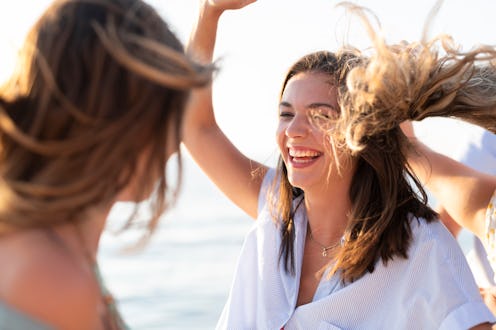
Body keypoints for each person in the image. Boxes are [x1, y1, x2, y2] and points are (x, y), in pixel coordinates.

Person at [184, 0, 495, 328]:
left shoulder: (422, 248)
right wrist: (209, 12)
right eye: (286, 114)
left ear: (361, 135)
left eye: (321, 116)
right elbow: (195, 128)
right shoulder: (276, 210)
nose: (293, 130)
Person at [0, 0, 211, 329]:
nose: (173, 141)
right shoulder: (53, 279)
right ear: (124, 125)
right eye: (166, 110)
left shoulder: (52, 244)